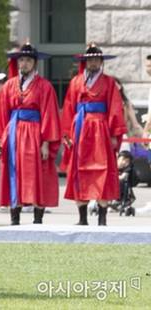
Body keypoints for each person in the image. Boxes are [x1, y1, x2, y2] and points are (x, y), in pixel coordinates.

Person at [0, 42, 61, 225]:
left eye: (28, 60)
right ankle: (15, 218)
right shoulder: (9, 85)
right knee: (14, 172)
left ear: (35, 63)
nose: (24, 63)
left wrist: (46, 141)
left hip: (35, 134)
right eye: (21, 60)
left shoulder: (44, 86)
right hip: (13, 134)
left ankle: (38, 219)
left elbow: (49, 114)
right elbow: (1, 113)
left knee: (38, 173)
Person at [61, 43, 127, 226]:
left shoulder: (109, 83)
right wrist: (66, 133)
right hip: (80, 129)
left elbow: (115, 108)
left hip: (100, 130)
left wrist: (114, 134)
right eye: (90, 59)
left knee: (103, 170)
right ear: (85, 61)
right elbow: (68, 108)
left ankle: (102, 217)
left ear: (101, 62)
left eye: (97, 59)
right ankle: (82, 218)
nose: (93, 62)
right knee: (78, 171)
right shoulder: (75, 82)